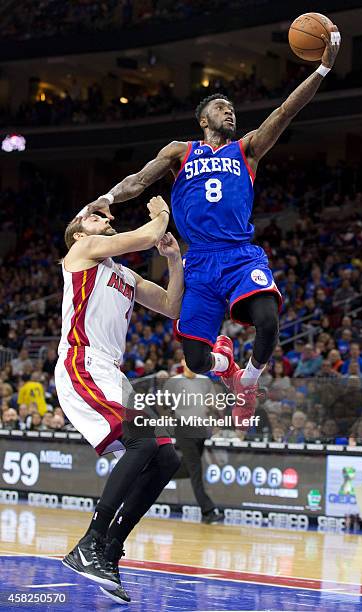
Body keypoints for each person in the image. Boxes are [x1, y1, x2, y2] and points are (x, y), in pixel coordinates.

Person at [83, 28, 341, 421]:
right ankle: (227, 367)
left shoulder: (247, 149)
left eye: (231, 108)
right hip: (199, 263)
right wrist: (108, 198)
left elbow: (285, 111)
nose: (229, 112)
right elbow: (138, 180)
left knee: (268, 321)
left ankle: (247, 385)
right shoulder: (179, 152)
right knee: (197, 360)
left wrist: (322, 68)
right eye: (221, 107)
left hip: (239, 255)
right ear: (204, 119)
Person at [55, 196, 183, 604]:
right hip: (83, 361)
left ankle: (109, 550)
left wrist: (175, 261)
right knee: (143, 442)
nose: (100, 218)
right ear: (78, 233)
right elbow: (146, 235)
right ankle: (90, 542)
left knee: (166, 455)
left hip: (112, 372)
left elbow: (170, 305)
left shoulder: (123, 275)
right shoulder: (82, 250)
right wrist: (162, 214)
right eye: (91, 217)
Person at [162, 359, 224, 524]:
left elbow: (213, 403)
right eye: (186, 361)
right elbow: (163, 405)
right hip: (184, 429)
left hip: (201, 429)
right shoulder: (174, 382)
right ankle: (208, 512)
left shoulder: (205, 381)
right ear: (182, 362)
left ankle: (156, 473)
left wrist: (213, 410)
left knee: (188, 469)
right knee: (196, 470)